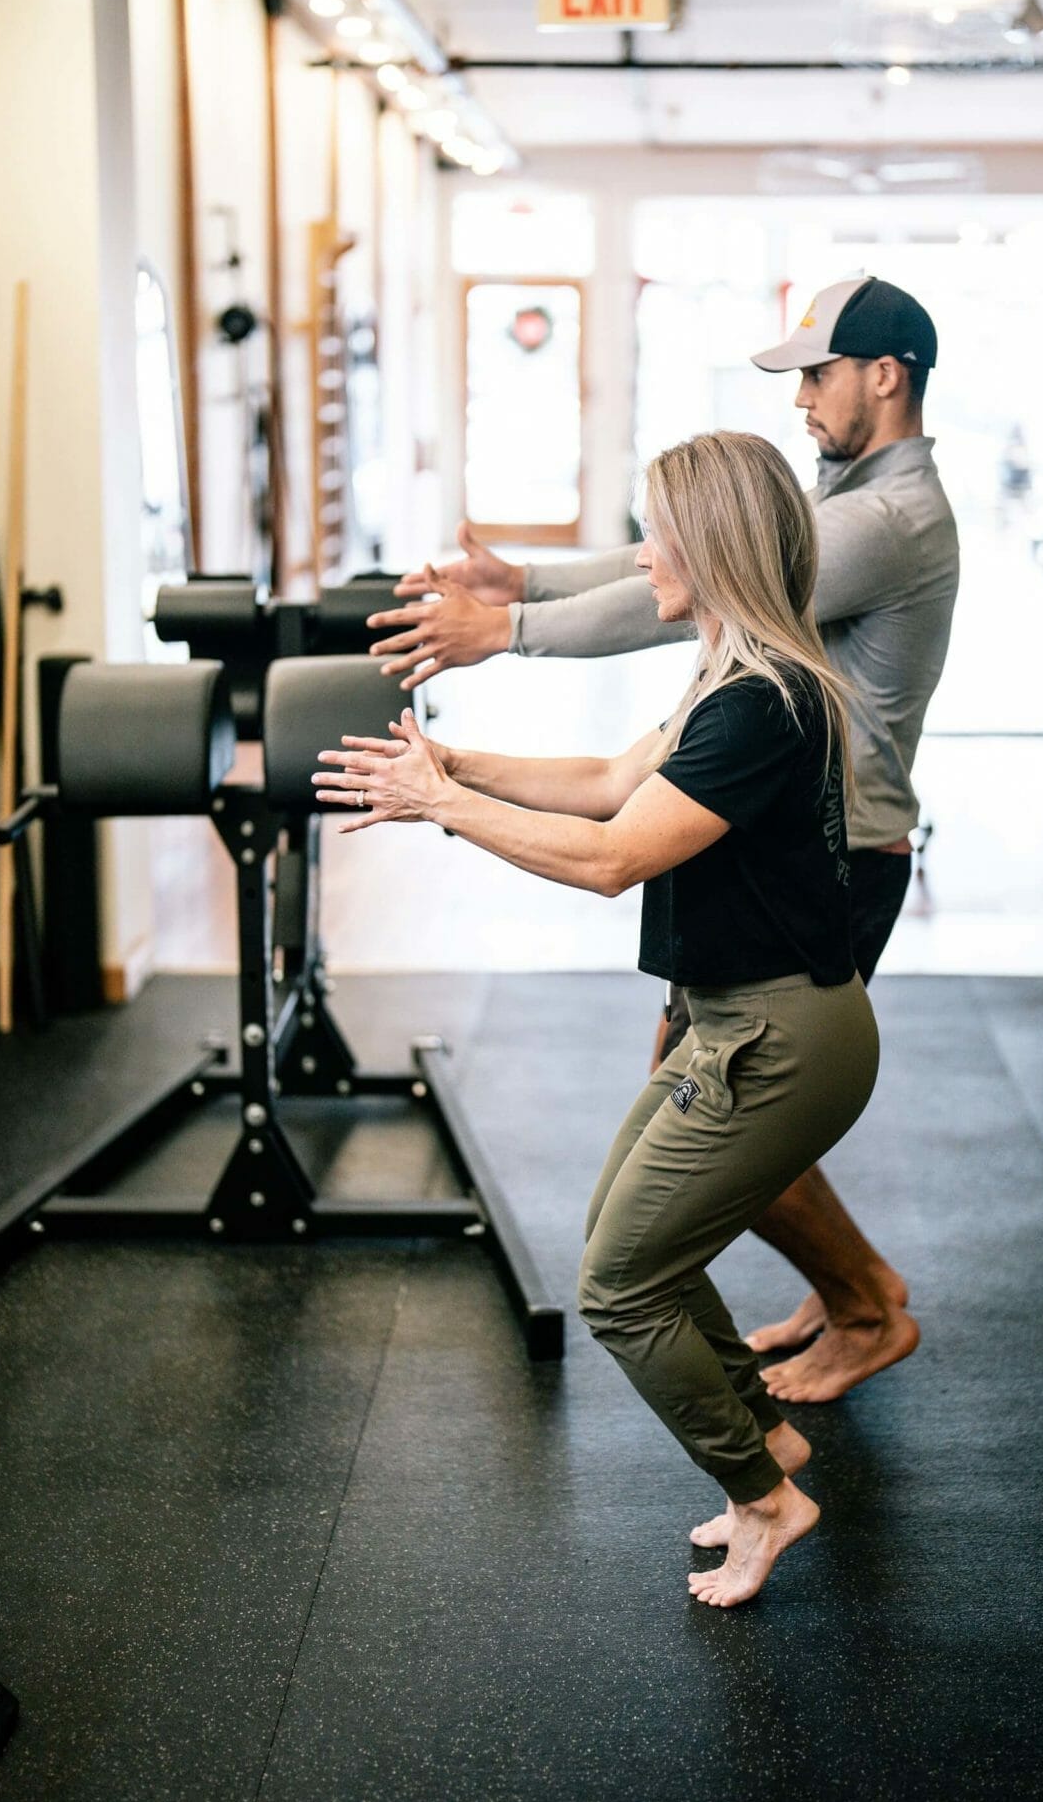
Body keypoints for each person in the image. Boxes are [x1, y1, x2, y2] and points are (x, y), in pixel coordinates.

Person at [363, 276, 958, 1404]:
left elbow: (692, 573)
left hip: (834, 842)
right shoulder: (847, 491)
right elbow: (680, 552)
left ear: (883, 376)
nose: (801, 400)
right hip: (778, 826)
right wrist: (528, 577)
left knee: (729, 1107)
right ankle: (851, 1293)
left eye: (815, 375)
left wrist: (510, 628)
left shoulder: (888, 518)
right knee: (714, 1098)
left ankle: (867, 1305)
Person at [314, 431, 879, 1607]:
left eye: (656, 531)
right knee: (634, 1244)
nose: (640, 553)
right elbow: (604, 782)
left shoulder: (760, 703)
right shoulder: (735, 675)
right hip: (737, 1026)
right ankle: (761, 1442)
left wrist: (443, 809)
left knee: (621, 1285)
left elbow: (613, 856)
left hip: (777, 1043)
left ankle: (766, 1500)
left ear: (711, 544)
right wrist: (453, 767)